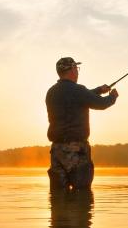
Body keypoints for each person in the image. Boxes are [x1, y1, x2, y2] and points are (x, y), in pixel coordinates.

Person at [45, 56, 118, 191]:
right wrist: (112, 96)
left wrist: (98, 90)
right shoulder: (78, 90)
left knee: (58, 197)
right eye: (76, 68)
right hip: (77, 151)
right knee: (81, 195)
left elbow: (74, 97)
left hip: (56, 151)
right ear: (72, 70)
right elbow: (101, 104)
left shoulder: (51, 92)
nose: (77, 71)